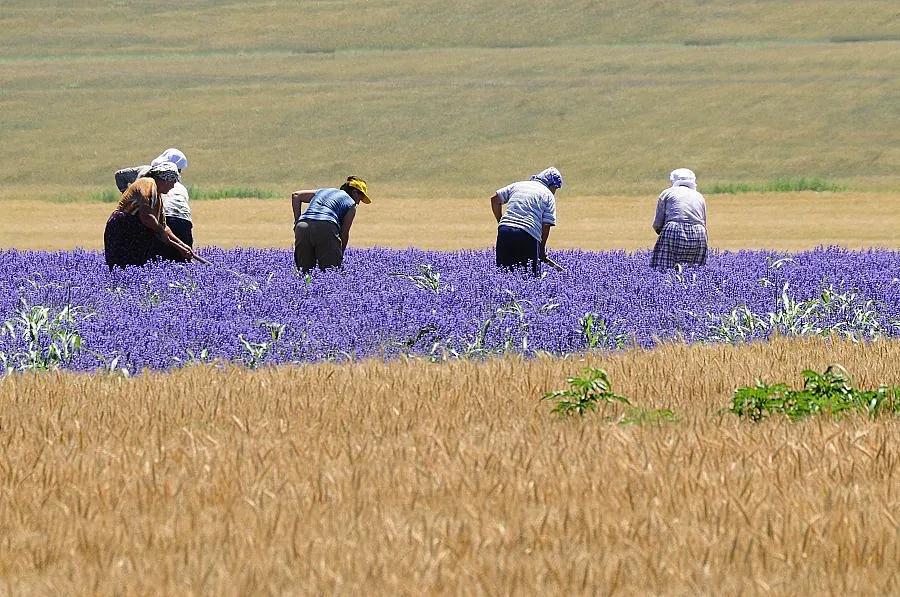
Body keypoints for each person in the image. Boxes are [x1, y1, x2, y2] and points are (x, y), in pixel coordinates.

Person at [104, 162, 195, 269]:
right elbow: (146, 216)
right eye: (173, 181)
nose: (173, 186)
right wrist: (160, 231)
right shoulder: (148, 184)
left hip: (137, 231)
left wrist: (182, 246)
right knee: (122, 265)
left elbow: (164, 226)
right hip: (124, 228)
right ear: (165, 179)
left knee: (136, 266)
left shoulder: (158, 198)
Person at [490, 166, 563, 275]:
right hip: (528, 234)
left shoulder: (518, 185)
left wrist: (501, 222)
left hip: (505, 231)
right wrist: (541, 250)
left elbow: (495, 200)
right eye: (555, 188)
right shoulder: (547, 195)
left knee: (504, 273)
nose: (554, 192)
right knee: (529, 275)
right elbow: (546, 225)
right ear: (552, 185)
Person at [290, 176, 371, 273]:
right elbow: (344, 233)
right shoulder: (351, 204)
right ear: (354, 192)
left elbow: (296, 195)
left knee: (304, 271)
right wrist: (340, 254)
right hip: (326, 226)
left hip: (302, 226)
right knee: (331, 270)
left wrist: (297, 221)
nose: (359, 201)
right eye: (361, 197)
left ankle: (304, 288)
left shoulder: (324, 191)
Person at [650, 168, 708, 269]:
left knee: (663, 268)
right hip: (699, 232)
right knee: (695, 270)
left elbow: (657, 224)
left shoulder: (667, 193)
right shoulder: (699, 196)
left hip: (674, 229)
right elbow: (703, 222)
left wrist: (662, 234)